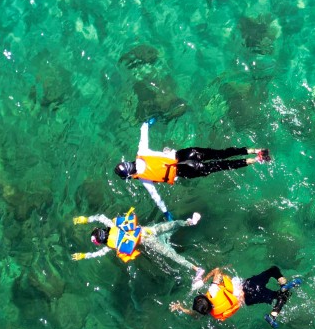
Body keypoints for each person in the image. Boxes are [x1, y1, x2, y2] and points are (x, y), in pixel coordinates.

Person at [114, 119, 272, 220]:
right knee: (220, 153)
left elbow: (156, 197)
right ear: (128, 163)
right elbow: (143, 131)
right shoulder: (141, 152)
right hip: (186, 154)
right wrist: (148, 123)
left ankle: (256, 160)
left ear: (129, 175)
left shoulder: (143, 178)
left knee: (223, 165)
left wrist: (165, 212)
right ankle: (255, 150)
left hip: (186, 170)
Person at [71, 207, 204, 279]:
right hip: (147, 231)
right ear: (101, 230)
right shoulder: (111, 225)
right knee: (169, 226)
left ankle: (196, 269)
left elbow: (97, 254)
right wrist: (85, 219)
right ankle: (188, 222)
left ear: (101, 242)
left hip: (149, 243)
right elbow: (100, 217)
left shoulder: (111, 246)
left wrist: (83, 255)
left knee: (172, 255)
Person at [170, 265, 302, 328]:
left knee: (280, 296)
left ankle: (273, 315)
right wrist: (203, 280)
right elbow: (217, 270)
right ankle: (283, 284)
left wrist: (181, 308)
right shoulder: (213, 291)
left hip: (249, 300)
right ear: (202, 298)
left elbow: (196, 315)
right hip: (249, 286)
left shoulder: (212, 313)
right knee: (273, 270)